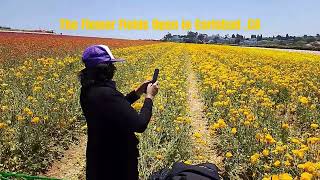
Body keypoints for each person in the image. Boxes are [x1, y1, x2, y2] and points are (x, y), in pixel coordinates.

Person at [79, 45, 159, 180]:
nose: (114, 69)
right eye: (111, 65)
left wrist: (137, 92)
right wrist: (149, 97)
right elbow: (140, 124)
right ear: (105, 69)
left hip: (99, 159)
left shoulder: (88, 90)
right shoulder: (107, 94)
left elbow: (115, 109)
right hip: (116, 163)